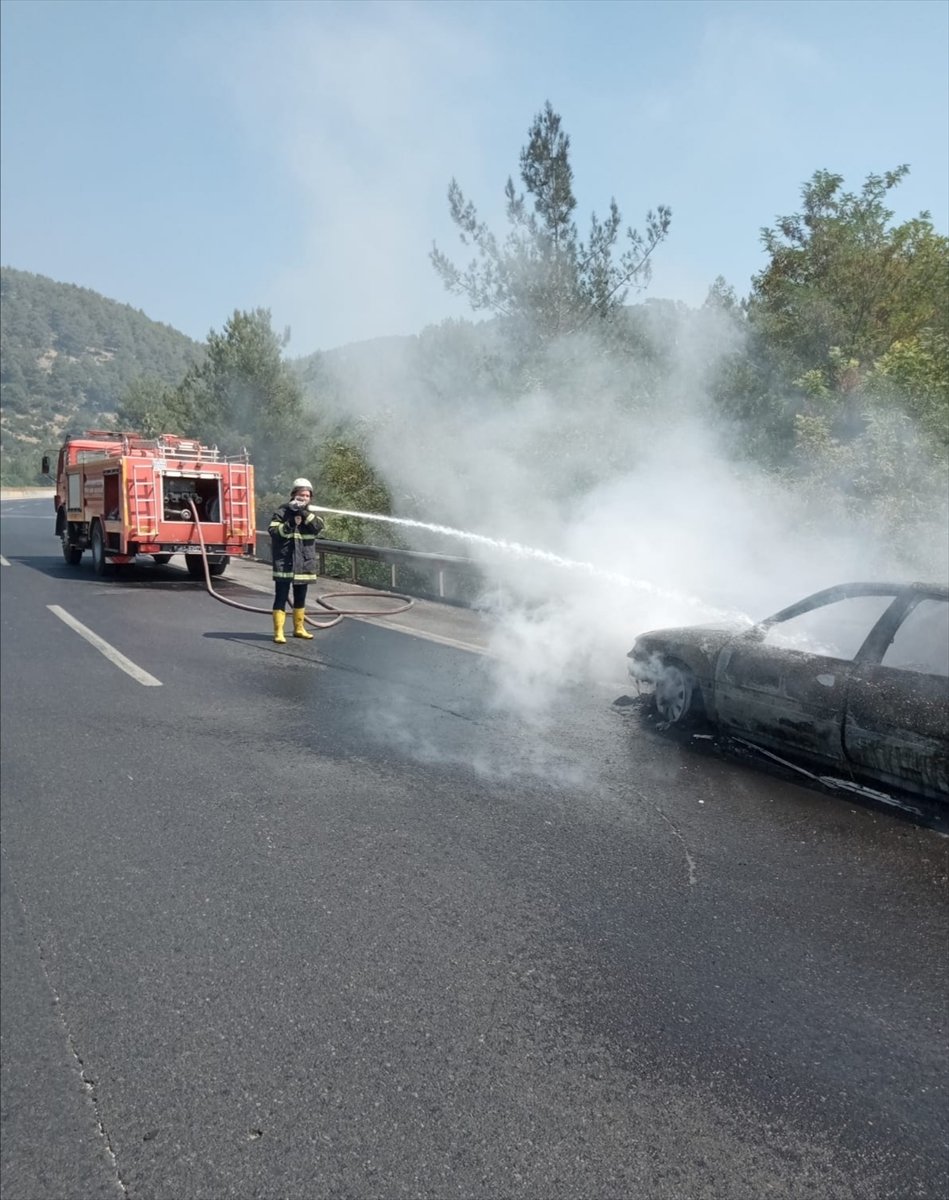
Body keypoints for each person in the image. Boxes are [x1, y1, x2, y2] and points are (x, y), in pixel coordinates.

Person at [268, 478, 325, 643]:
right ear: (293, 495)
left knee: (301, 597)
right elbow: (273, 531)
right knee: (281, 596)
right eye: (301, 495)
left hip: (304, 563)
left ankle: (299, 628)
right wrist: (290, 523)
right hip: (285, 561)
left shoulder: (311, 514)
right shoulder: (282, 511)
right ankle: (279, 631)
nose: (304, 498)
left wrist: (303, 513)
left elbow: (318, 527)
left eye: (307, 496)